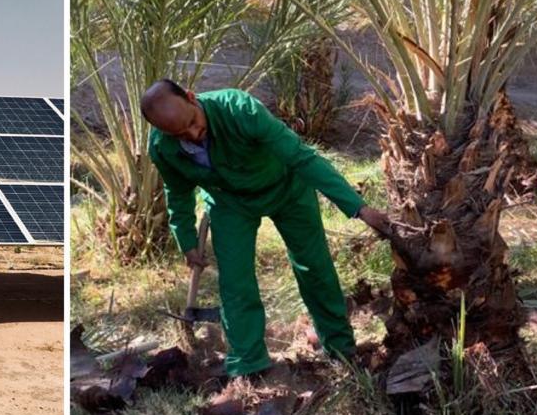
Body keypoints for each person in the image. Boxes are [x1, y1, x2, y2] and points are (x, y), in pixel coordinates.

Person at [141, 80, 391, 377]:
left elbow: (301, 156)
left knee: (314, 266)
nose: (193, 135)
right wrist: (186, 240)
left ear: (193, 98)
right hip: (230, 202)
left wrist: (358, 208)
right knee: (235, 282)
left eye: (193, 123)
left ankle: (339, 347)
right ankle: (249, 365)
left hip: (288, 189)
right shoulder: (162, 146)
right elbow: (178, 191)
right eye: (180, 134)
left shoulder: (239, 110)